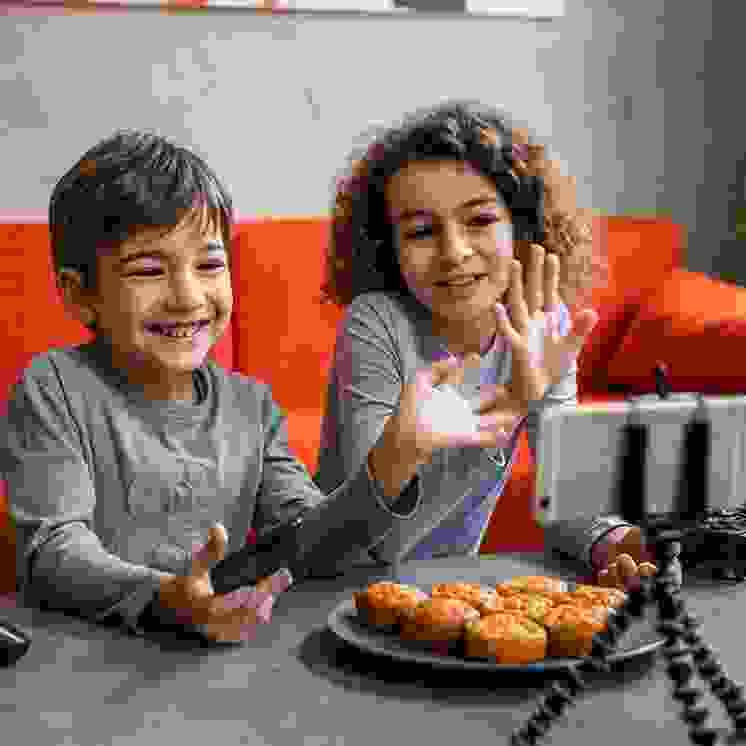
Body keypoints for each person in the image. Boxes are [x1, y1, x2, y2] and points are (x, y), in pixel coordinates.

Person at [0, 129, 532, 645]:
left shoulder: (251, 408)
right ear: (79, 295)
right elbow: (53, 551)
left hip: (211, 655)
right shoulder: (53, 389)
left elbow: (313, 542)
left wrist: (396, 456)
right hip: (81, 659)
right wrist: (165, 598)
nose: (188, 296)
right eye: (148, 271)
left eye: (210, 265)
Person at [316, 100, 661, 588]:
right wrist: (513, 404)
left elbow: (565, 500)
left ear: (520, 228)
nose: (454, 252)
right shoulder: (377, 323)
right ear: (388, 248)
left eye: (479, 221)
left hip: (444, 591)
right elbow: (379, 542)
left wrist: (623, 543)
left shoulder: (544, 326)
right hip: (333, 588)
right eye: (421, 231)